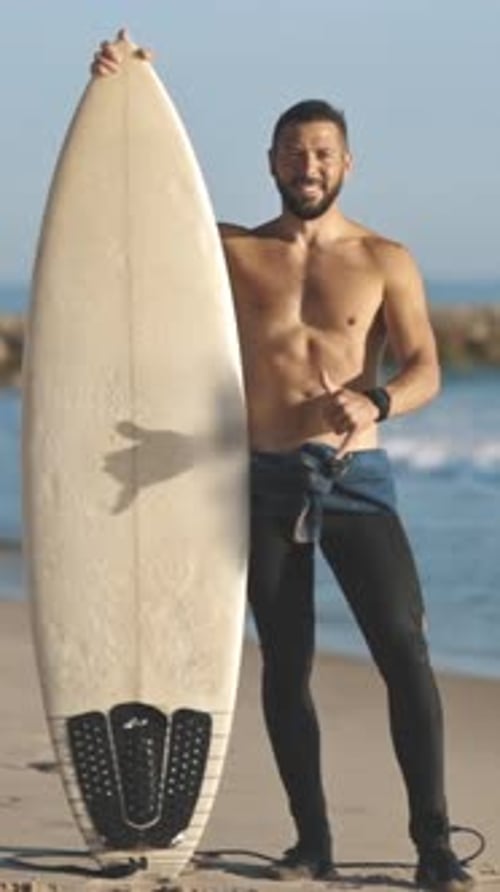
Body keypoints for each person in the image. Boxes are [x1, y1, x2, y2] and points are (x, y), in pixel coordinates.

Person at [92, 33, 474, 892]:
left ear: (348, 163)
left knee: (404, 656)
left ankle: (434, 846)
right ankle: (313, 841)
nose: (309, 165)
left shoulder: (385, 261)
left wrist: (375, 401)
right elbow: (132, 209)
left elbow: (425, 369)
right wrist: (120, 95)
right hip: (262, 486)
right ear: (270, 161)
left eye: (324, 152)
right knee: (286, 668)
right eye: (295, 152)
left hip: (355, 483)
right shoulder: (230, 252)